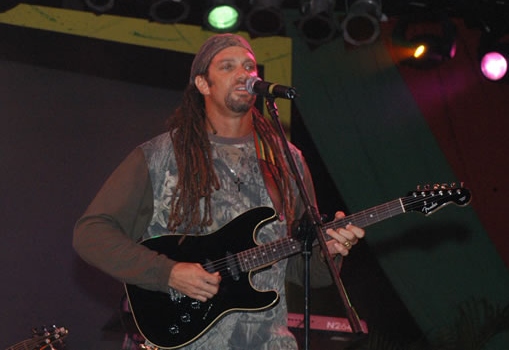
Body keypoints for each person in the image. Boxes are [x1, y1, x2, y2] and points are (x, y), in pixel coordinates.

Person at [73, 34, 365, 349]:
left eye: (249, 67)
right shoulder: (159, 157)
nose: (243, 74)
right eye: (227, 67)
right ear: (203, 84)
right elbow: (91, 233)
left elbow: (302, 270)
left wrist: (327, 253)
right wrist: (168, 273)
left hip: (267, 342)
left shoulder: (287, 160)